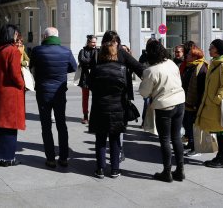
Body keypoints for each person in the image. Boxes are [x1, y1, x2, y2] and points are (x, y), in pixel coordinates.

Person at [89, 30, 143, 179]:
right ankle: (115, 169)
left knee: (100, 138)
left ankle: (100, 169)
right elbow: (140, 69)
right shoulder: (122, 57)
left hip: (100, 103)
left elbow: (90, 82)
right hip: (119, 102)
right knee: (115, 137)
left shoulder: (97, 57)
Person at [30, 27, 77, 168]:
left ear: (45, 36)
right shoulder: (66, 51)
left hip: (43, 92)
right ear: (57, 36)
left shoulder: (37, 50)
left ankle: (50, 158)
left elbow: (32, 66)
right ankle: (63, 158)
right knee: (61, 125)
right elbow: (73, 67)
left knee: (46, 126)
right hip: (59, 92)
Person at [139, 40, 186, 182]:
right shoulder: (171, 63)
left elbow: (144, 93)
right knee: (176, 137)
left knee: (165, 139)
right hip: (179, 101)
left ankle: (167, 172)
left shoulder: (150, 71)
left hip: (165, 105)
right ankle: (180, 170)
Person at [0, 24, 26, 166]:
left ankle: (0, 156)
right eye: (16, 34)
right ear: (11, 34)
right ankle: (8, 158)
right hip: (10, 94)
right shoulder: (13, 51)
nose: (17, 36)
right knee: (10, 126)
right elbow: (15, 74)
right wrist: (23, 84)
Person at [195, 39, 223, 168]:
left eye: (211, 47)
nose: (209, 50)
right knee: (219, 131)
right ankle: (220, 156)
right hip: (213, 104)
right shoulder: (215, 63)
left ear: (217, 49)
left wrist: (216, 99)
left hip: (218, 104)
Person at [181, 46, 207, 157]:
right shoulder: (190, 66)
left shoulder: (201, 68)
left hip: (195, 103)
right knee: (187, 124)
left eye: (189, 55)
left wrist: (198, 104)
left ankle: (195, 148)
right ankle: (190, 145)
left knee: (193, 126)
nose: (186, 56)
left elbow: (202, 88)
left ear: (195, 57)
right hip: (187, 100)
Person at [78, 35, 97, 124]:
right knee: (85, 98)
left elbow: (97, 62)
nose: (94, 44)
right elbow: (82, 60)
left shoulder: (98, 51)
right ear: (88, 42)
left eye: (95, 42)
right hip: (85, 78)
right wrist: (91, 62)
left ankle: (93, 116)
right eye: (93, 42)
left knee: (95, 98)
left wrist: (88, 62)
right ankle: (85, 116)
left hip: (95, 78)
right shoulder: (82, 51)